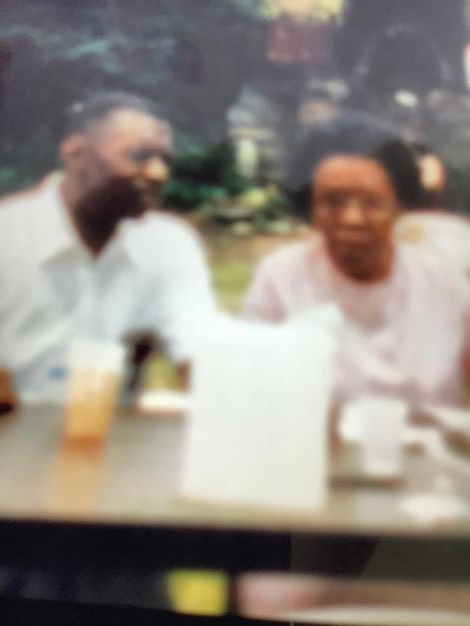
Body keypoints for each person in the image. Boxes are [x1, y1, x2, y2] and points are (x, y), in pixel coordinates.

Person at [0, 92, 214, 405]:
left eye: (165, 160)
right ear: (76, 153)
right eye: (139, 156)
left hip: (109, 430)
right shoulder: (8, 237)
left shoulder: (169, 245)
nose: (158, 173)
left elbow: (202, 357)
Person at [244, 126, 470, 408]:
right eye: (334, 202)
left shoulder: (443, 283)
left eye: (372, 204)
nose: (352, 219)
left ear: (398, 208)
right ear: (312, 209)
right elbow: (253, 388)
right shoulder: (280, 279)